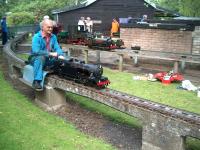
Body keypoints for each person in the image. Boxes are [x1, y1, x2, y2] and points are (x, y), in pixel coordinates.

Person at [30, 19, 65, 90]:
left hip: (48, 59)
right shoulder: (36, 37)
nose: (50, 29)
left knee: (62, 58)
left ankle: (62, 75)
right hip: (36, 58)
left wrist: (60, 54)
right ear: (42, 27)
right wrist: (51, 53)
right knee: (41, 57)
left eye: (51, 27)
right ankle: (37, 81)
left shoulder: (53, 37)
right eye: (48, 27)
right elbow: (36, 51)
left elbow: (57, 48)